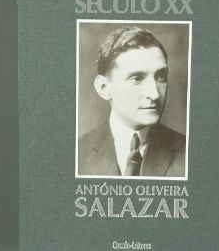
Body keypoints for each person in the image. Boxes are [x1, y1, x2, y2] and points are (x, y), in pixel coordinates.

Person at [78, 25, 186, 177]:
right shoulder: (77, 152)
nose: (155, 94)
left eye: (161, 76)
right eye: (136, 79)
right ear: (104, 88)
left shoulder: (188, 151)